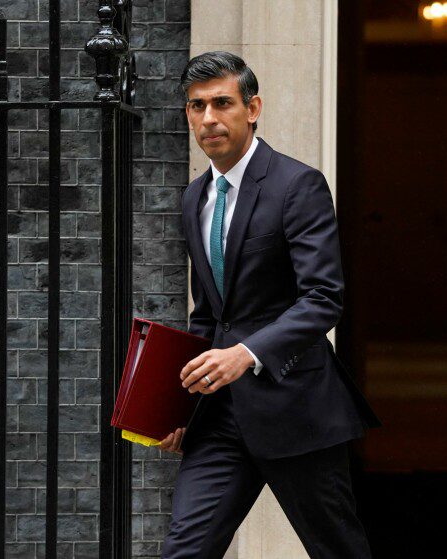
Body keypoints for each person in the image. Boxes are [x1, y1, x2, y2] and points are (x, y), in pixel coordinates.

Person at [158, 51, 382, 559]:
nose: (209, 118)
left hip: (296, 409)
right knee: (184, 550)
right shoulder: (195, 198)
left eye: (222, 103)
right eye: (197, 107)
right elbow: (208, 316)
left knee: (337, 549)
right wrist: (179, 408)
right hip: (219, 420)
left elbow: (323, 298)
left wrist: (245, 354)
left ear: (252, 107)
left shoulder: (296, 185)